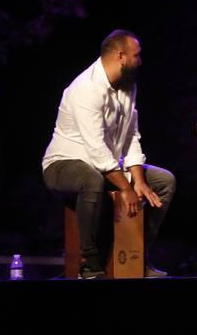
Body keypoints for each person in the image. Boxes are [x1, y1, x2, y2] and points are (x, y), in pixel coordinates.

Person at [42, 30, 175, 279]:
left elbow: (131, 136)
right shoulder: (87, 88)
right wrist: (126, 187)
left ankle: (137, 254)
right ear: (121, 56)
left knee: (164, 181)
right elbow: (95, 148)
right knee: (91, 179)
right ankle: (89, 264)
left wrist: (140, 180)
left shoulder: (128, 86)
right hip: (64, 164)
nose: (141, 61)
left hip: (105, 165)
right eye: (137, 55)